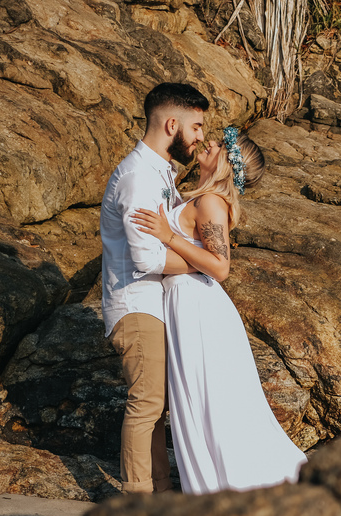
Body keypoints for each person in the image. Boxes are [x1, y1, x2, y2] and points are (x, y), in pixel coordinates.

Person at [132, 127, 307, 494]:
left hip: (198, 308)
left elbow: (220, 266)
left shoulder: (211, 201)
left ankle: (240, 485)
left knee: (214, 403)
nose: (208, 143)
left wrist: (168, 236)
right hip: (186, 303)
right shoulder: (199, 196)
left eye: (219, 144)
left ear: (227, 161)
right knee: (204, 402)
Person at [100, 82, 209, 494]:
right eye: (196, 126)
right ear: (171, 124)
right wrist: (206, 265)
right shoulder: (136, 178)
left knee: (158, 406)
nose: (200, 136)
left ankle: (161, 494)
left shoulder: (161, 173)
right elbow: (146, 259)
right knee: (146, 403)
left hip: (154, 305)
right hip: (136, 305)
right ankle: (137, 499)